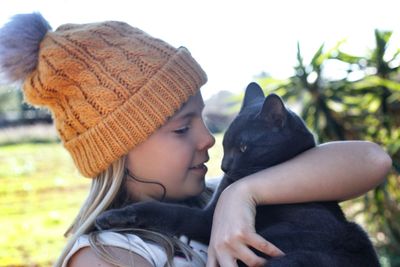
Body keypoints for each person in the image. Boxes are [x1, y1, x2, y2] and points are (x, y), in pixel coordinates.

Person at [0, 13, 392, 267]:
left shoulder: (217, 194)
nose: (207, 139)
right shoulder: (110, 257)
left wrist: (244, 193)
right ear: (118, 147)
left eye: (202, 119)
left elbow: (372, 160)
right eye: (182, 128)